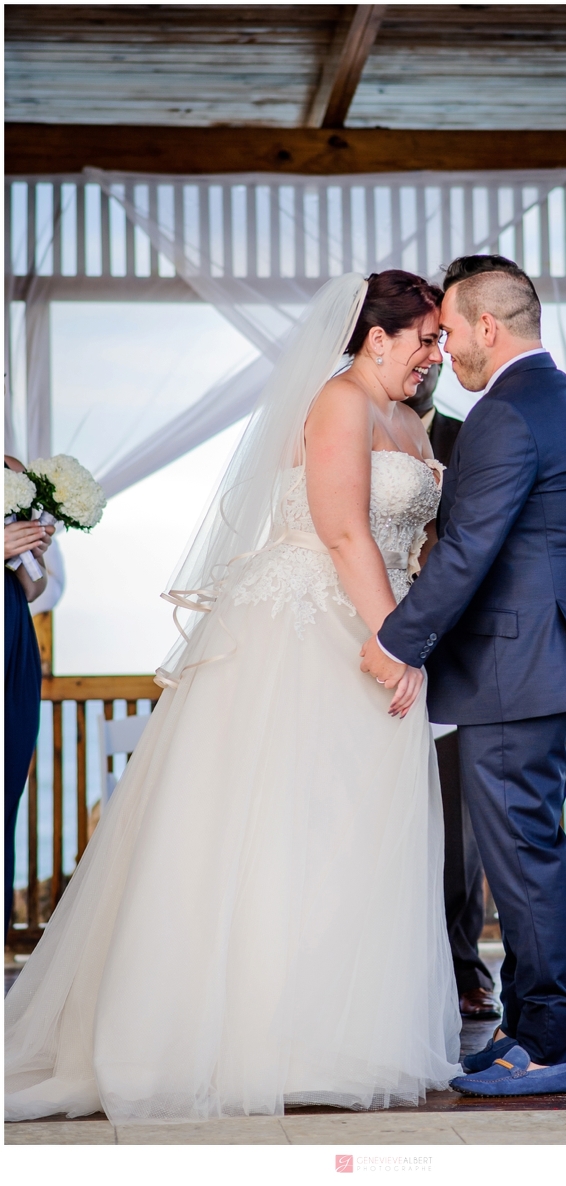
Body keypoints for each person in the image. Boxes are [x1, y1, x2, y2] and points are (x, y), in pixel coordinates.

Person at [5, 271, 462, 1123]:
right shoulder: (340, 402)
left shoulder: (408, 417)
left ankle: (335, 1033)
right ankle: (251, 1039)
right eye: (427, 337)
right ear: (377, 337)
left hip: (377, 623)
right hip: (307, 630)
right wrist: (393, 643)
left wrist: (415, 629)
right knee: (282, 827)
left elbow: (413, 538)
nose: (437, 353)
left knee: (351, 832)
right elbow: (342, 531)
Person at [362, 255, 566, 1098]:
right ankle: (522, 1030)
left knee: (522, 858)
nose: (445, 348)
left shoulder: (506, 413)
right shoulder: (563, 400)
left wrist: (397, 641)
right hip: (562, 659)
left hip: (520, 669)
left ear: (488, 325)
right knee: (528, 851)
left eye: (450, 330)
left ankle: (549, 1044)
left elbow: (469, 550)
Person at [404, 369, 498, 1022]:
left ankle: (463, 967)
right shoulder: (345, 426)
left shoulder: (469, 438)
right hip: (363, 638)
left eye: (437, 344)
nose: (429, 361)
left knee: (458, 829)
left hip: (455, 650)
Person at [4, 457, 54, 940]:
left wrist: (32, 549)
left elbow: (33, 588)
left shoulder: (11, 469)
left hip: (13, 639)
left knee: (6, 799)